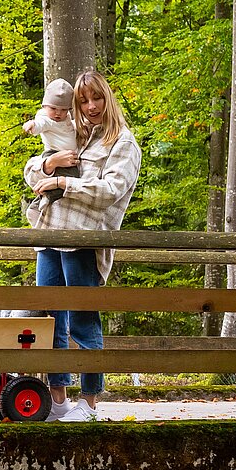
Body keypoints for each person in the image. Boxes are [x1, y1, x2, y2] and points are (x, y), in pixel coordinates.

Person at [22, 71, 142, 422]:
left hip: (85, 243)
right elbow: (31, 172)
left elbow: (110, 192)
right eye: (83, 101)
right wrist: (48, 164)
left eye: (97, 98)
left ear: (108, 99)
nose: (90, 106)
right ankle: (58, 399)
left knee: (84, 322)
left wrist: (61, 182)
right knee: (50, 321)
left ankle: (88, 403)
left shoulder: (123, 144)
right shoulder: (74, 134)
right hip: (49, 236)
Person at [22, 78, 80, 205]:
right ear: (45, 106)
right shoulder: (46, 119)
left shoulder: (66, 119)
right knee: (71, 178)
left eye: (63, 110)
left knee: (73, 177)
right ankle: (49, 196)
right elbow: (40, 124)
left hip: (67, 156)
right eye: (53, 108)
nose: (58, 113)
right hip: (54, 153)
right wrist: (31, 125)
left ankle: (51, 193)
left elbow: (70, 128)